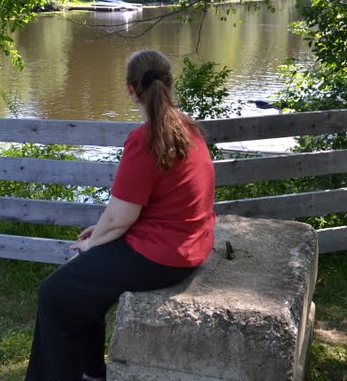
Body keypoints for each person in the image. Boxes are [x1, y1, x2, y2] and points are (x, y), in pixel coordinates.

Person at [25, 49, 216, 381]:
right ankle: (90, 373)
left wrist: (93, 243)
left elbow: (120, 218)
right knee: (82, 287)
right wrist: (99, 233)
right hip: (187, 246)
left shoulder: (145, 138)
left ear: (131, 89)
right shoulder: (190, 130)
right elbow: (138, 211)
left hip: (160, 255)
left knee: (54, 294)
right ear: (170, 83)